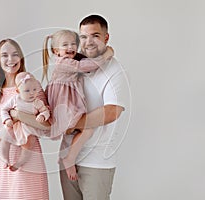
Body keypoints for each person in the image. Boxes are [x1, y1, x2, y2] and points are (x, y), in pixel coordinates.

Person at [59, 14, 129, 200]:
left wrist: (73, 124)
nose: (88, 42)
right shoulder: (75, 64)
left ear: (106, 37)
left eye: (95, 36)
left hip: (96, 162)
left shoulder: (114, 70)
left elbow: (112, 111)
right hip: (67, 160)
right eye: (83, 37)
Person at [0, 39, 49, 199]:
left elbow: (47, 125)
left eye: (15, 55)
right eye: (5, 55)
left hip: (29, 160)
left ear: (21, 58)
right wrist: (4, 134)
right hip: (1, 160)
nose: (11, 59)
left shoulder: (32, 87)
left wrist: (18, 116)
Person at [42, 29, 114, 180]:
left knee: (77, 130)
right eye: (65, 45)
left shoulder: (69, 60)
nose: (70, 47)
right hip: (63, 105)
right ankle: (69, 159)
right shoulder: (65, 63)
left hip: (67, 103)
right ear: (56, 51)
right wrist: (106, 56)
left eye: (73, 44)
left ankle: (68, 157)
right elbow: (86, 66)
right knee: (87, 129)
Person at [0, 72, 50, 171]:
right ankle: (5, 159)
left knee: (29, 144)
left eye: (34, 90)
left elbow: (45, 111)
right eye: (27, 91)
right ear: (18, 91)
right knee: (5, 139)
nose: (32, 93)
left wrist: (42, 116)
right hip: (15, 125)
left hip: (29, 127)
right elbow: (3, 109)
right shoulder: (15, 99)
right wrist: (7, 119)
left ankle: (19, 163)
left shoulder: (37, 102)